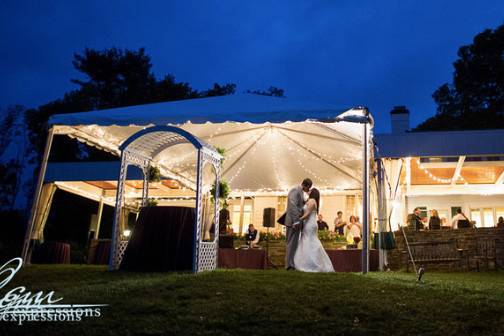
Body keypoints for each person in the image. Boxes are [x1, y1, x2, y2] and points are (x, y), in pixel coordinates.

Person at [293, 188, 334, 272]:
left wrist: (298, 220)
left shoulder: (312, 201)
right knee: (308, 241)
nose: (309, 190)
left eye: (310, 190)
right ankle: (308, 263)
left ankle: (312, 264)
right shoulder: (310, 200)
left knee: (309, 242)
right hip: (309, 224)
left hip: (310, 224)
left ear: (313, 193)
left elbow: (307, 214)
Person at [285, 178, 312, 270]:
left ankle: (292, 264)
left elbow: (298, 204)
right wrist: (296, 221)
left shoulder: (299, 191)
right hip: (292, 222)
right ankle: (289, 265)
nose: (307, 190)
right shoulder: (295, 190)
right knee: (291, 244)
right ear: (305, 185)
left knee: (294, 244)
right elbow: (293, 206)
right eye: (308, 188)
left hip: (296, 222)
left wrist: (305, 202)